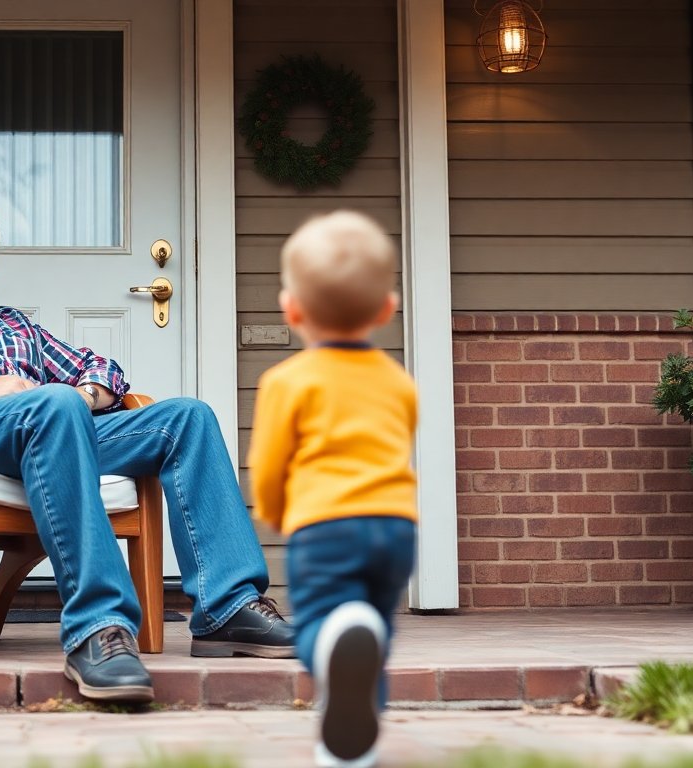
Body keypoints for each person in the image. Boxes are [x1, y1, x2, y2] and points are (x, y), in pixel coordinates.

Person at [0, 189, 295, 704]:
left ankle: (228, 608)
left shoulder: (13, 325)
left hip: (42, 431)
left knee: (185, 418)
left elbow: (102, 370)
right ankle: (99, 628)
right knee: (53, 404)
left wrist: (84, 394)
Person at [247, 210, 419, 768]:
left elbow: (269, 464)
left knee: (324, 624)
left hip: (325, 525)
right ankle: (351, 749)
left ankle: (336, 644)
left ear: (292, 310)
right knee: (373, 631)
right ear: (387, 309)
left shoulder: (286, 382)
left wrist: (275, 511)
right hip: (395, 527)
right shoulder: (399, 382)